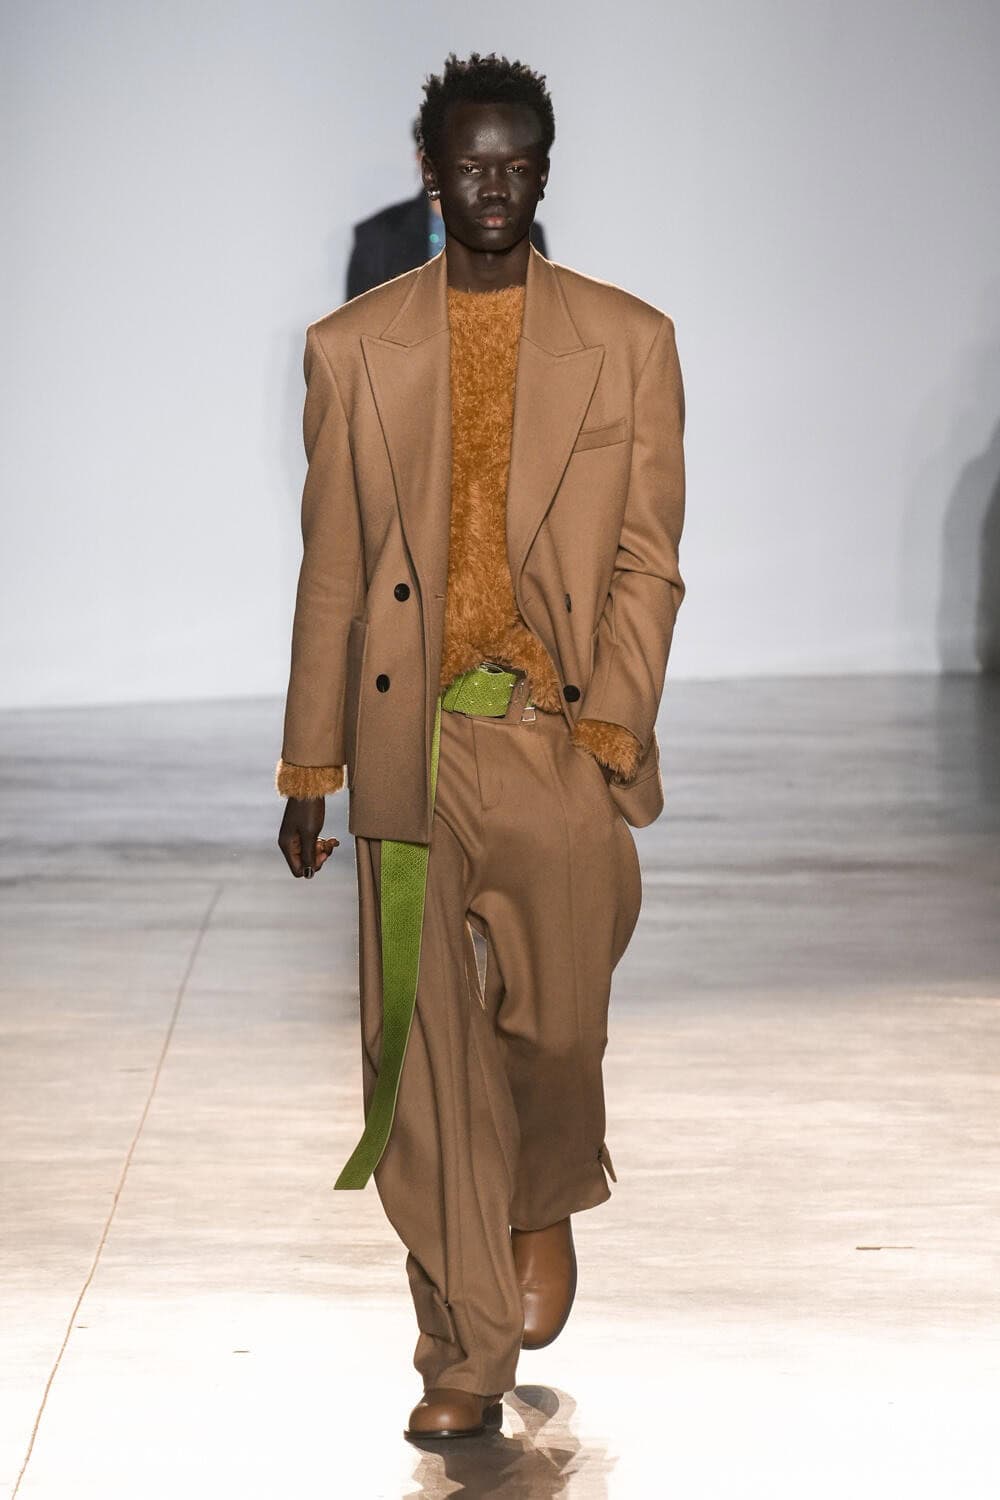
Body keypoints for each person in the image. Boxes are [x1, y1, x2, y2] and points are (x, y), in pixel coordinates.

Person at [275, 50, 686, 1441]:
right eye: (469, 165)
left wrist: (610, 722)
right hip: (407, 739)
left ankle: (543, 1189)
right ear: (431, 173)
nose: (492, 186)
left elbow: (647, 560)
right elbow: (332, 567)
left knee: (557, 1029)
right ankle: (463, 1345)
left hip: (553, 733)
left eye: (515, 166)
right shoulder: (353, 348)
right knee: (416, 1045)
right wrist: (310, 764)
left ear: (544, 173)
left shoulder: (627, 341)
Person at [345, 115, 549, 300]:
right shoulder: (377, 236)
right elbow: (357, 323)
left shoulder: (525, 231)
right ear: (423, 161)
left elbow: (542, 314)